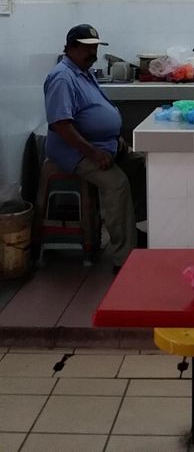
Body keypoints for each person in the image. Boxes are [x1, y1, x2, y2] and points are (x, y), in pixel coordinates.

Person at [43, 24, 146, 274]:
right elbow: (61, 124)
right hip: (75, 151)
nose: (93, 54)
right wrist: (93, 152)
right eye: (87, 48)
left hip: (102, 145)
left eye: (95, 48)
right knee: (117, 183)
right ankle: (124, 257)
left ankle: (129, 231)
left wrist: (113, 141)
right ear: (70, 48)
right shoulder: (62, 77)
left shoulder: (82, 71)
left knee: (139, 165)